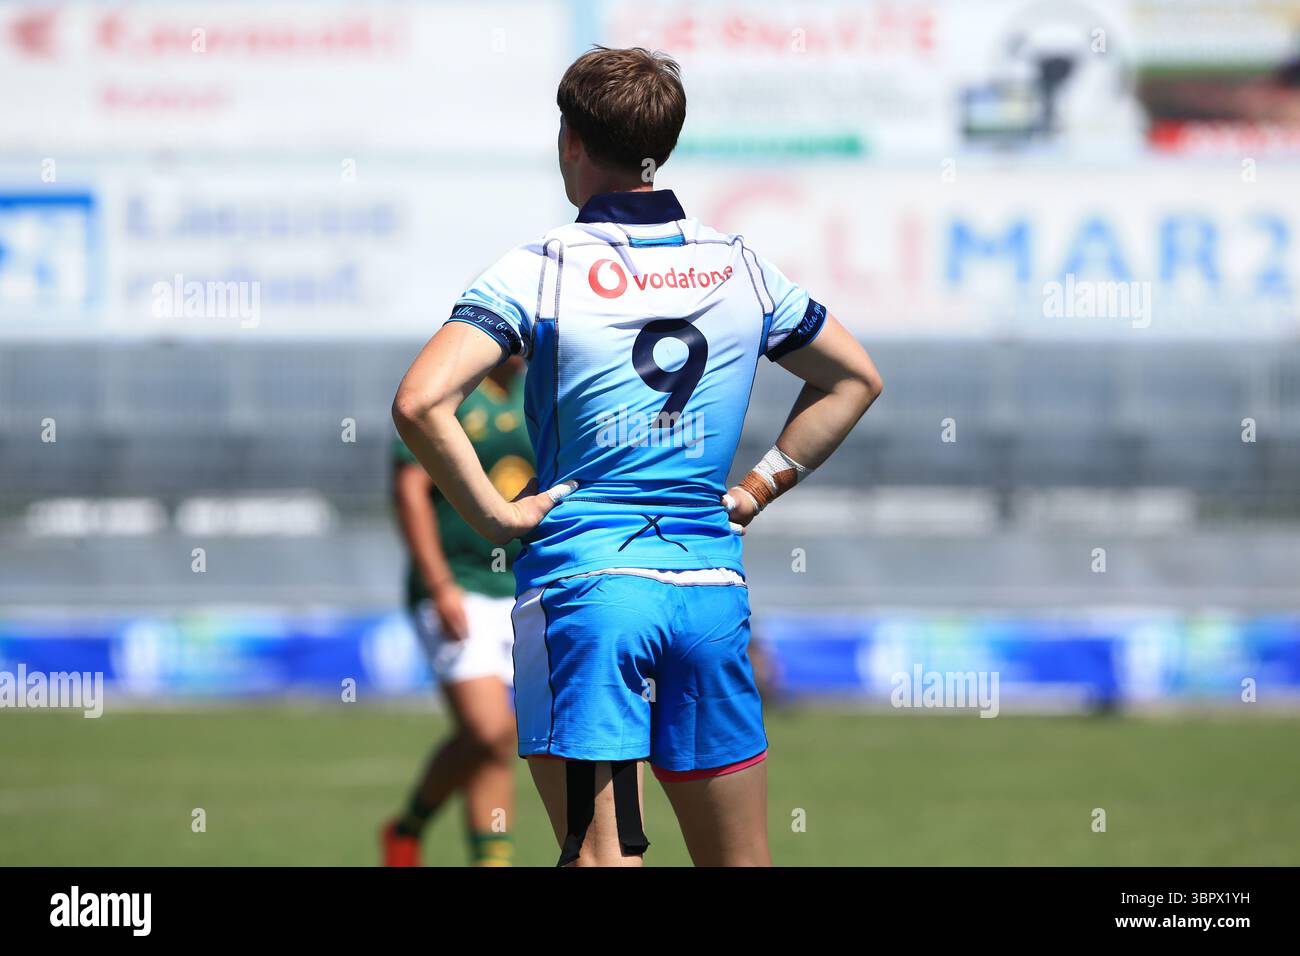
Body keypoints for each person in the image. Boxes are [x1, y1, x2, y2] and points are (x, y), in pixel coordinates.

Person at [392, 46, 882, 867]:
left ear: (571, 142)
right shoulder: (741, 265)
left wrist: (494, 514)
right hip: (707, 592)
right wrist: (758, 488)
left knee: (602, 862)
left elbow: (418, 401)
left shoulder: (540, 270)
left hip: (587, 593)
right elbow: (854, 380)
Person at [382, 356, 533, 867]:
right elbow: (410, 491)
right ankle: (412, 829)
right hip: (457, 586)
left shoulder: (544, 394)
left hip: (524, 586)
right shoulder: (447, 392)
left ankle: (410, 830)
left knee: (492, 740)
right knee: (491, 730)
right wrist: (439, 583)